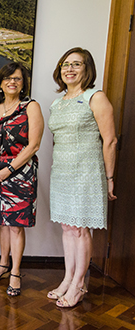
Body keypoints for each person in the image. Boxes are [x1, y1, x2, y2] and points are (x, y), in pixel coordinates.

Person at [48, 47, 117, 308]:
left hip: (86, 172)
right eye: (66, 64)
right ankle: (67, 279)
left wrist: (109, 178)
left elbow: (109, 140)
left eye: (76, 64)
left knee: (80, 229)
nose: (70, 69)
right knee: (67, 227)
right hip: (62, 172)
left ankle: (79, 285)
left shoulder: (95, 97)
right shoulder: (58, 102)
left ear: (87, 69)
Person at [0, 62, 44, 296]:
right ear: (1, 83)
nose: (12, 82)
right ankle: (3, 264)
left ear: (23, 82)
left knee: (15, 225)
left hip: (20, 172)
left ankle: (15, 271)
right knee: (1, 222)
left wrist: (7, 170)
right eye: (8, 78)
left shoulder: (31, 107)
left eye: (17, 78)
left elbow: (34, 145)